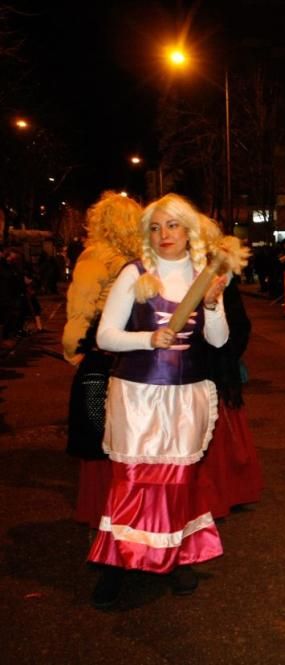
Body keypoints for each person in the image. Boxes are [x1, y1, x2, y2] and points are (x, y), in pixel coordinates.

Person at [88, 194, 230, 609]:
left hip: (187, 395)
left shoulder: (206, 275)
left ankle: (177, 555)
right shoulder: (134, 273)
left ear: (189, 231)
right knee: (132, 479)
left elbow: (218, 340)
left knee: (179, 480)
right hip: (138, 393)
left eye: (172, 225)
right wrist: (147, 338)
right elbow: (105, 336)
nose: (163, 235)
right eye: (155, 227)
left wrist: (212, 304)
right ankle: (116, 563)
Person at [62, 192, 143, 530]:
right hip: (136, 359)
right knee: (130, 437)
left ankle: (105, 509)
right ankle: (135, 508)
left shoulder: (94, 258)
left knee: (99, 436)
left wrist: (73, 351)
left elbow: (80, 312)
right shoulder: (142, 261)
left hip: (100, 358)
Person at [197, 216, 263, 518]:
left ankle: (222, 493)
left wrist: (227, 356)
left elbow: (239, 326)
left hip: (215, 372)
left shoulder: (222, 280)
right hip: (198, 372)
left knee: (217, 434)